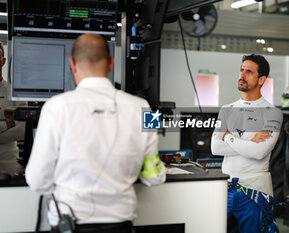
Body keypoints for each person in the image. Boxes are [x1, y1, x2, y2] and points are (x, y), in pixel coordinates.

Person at [25, 34, 166, 233]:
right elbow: (154, 176)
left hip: (70, 224)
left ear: (72, 64)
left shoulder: (55, 107)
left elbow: (38, 181)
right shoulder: (143, 108)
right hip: (120, 225)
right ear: (110, 64)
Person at [211, 54, 283, 233]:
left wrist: (228, 137)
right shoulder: (226, 110)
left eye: (249, 72)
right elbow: (215, 147)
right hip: (226, 188)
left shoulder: (272, 113)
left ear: (261, 79)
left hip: (255, 192)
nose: (242, 75)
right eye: (241, 70)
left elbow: (259, 152)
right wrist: (250, 141)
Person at [0, 41, 25, 161]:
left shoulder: (15, 91)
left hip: (9, 156)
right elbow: (16, 125)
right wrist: (7, 124)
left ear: (3, 61)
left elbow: (22, 129)